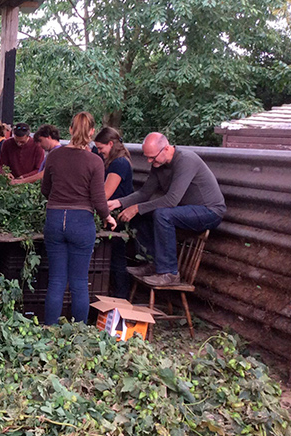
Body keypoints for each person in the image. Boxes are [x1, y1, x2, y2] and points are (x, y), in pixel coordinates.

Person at [108, 132, 226, 285]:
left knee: (162, 214)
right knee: (140, 215)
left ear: (166, 149)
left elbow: (171, 200)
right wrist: (118, 203)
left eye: (152, 157)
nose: (149, 161)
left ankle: (169, 273)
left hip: (209, 211)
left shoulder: (186, 160)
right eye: (147, 157)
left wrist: (137, 208)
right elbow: (144, 193)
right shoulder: (159, 164)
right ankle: (152, 263)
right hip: (186, 210)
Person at [41, 112, 116, 325]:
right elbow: (98, 198)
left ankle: (49, 333)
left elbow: (45, 189)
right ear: (92, 132)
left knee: (56, 280)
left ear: (70, 129)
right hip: (81, 223)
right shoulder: (95, 161)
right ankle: (78, 335)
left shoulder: (54, 156)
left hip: (54, 220)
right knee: (79, 283)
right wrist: (108, 217)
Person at [94, 127, 133, 298]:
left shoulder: (119, 163)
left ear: (111, 144)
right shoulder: (113, 162)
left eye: (101, 148)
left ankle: (120, 297)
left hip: (118, 216)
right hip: (111, 213)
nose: (99, 151)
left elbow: (105, 194)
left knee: (116, 256)